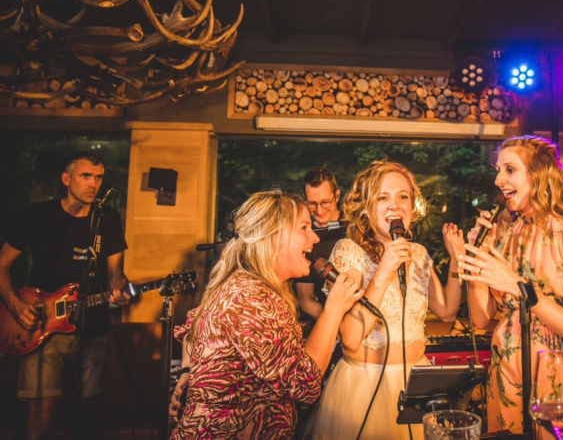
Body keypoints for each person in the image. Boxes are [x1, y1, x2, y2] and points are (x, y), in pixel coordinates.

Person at [169, 190, 364, 440]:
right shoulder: (252, 298)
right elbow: (305, 385)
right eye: (304, 228)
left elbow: (192, 327)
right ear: (273, 237)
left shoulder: (243, 284)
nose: (314, 237)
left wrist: (187, 372)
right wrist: (333, 310)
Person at [456, 136, 563, 438]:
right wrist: (479, 255)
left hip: (559, 371)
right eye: (498, 170)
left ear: (539, 174)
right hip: (506, 372)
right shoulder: (506, 232)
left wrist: (520, 288)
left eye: (510, 170)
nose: (498, 180)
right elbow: (482, 318)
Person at [306, 160, 465, 440]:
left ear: (412, 207)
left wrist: (456, 260)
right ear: (367, 207)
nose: (395, 205)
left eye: (403, 196)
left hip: (417, 386)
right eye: (382, 197)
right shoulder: (348, 252)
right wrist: (383, 272)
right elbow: (350, 338)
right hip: (365, 387)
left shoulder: (418, 253)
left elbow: (448, 311)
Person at [0, 151, 131, 440]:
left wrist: (119, 287)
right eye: (86, 176)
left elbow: (115, 273)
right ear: (66, 178)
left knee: (85, 410)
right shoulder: (39, 215)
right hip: (42, 324)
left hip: (93, 325)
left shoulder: (107, 218)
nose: (93, 184)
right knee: (42, 414)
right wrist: (16, 304)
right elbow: (2, 264)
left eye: (98, 177)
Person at [295, 168, 347, 330]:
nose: (319, 210)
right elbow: (305, 300)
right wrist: (337, 325)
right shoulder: (304, 241)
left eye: (325, 202)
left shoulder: (356, 229)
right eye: (312, 204)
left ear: (337, 196)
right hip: (331, 326)